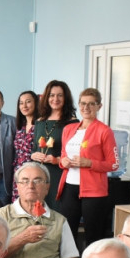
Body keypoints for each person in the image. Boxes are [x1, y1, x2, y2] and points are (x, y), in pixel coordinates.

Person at [58, 87, 119, 247]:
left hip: (94, 191)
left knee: (93, 236)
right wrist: (63, 162)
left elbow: (114, 164)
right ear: (78, 105)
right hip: (69, 187)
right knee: (67, 234)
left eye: (91, 104)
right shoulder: (69, 129)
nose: (86, 107)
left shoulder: (104, 131)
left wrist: (89, 163)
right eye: (83, 103)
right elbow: (63, 155)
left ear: (99, 106)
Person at [0, 162, 78, 258]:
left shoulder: (59, 220)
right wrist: (22, 239)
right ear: (17, 187)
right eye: (25, 181)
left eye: (37, 181)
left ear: (47, 187)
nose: (30, 186)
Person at [30, 80, 78, 211]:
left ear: (66, 98)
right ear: (46, 97)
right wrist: (34, 155)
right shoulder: (40, 121)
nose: (55, 99)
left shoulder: (72, 123)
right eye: (52, 95)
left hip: (60, 176)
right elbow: (34, 149)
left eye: (60, 95)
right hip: (40, 175)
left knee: (57, 212)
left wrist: (56, 160)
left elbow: (74, 154)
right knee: (39, 212)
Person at [12, 90, 39, 201]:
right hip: (18, 172)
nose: (24, 106)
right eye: (21, 103)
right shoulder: (20, 126)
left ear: (36, 103)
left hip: (34, 173)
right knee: (18, 204)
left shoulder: (40, 125)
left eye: (28, 102)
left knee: (33, 203)